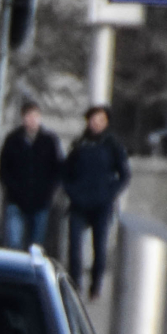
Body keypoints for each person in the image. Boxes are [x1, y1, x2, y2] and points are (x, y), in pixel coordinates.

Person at [61, 105, 128, 299]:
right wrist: (71, 191)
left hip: (102, 204)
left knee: (99, 248)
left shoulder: (112, 144)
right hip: (78, 204)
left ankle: (96, 284)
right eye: (93, 119)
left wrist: (110, 192)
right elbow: (66, 172)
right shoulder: (79, 143)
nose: (96, 123)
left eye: (101, 120)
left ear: (106, 123)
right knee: (74, 248)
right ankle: (75, 284)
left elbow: (124, 174)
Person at [0, 104, 60, 252]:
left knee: (36, 246)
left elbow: (56, 170)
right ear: (22, 118)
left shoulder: (48, 141)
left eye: (35, 116)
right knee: (14, 243)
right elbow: (4, 169)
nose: (32, 120)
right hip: (15, 201)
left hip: (40, 202)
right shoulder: (12, 140)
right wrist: (12, 189)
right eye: (28, 116)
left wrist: (47, 192)